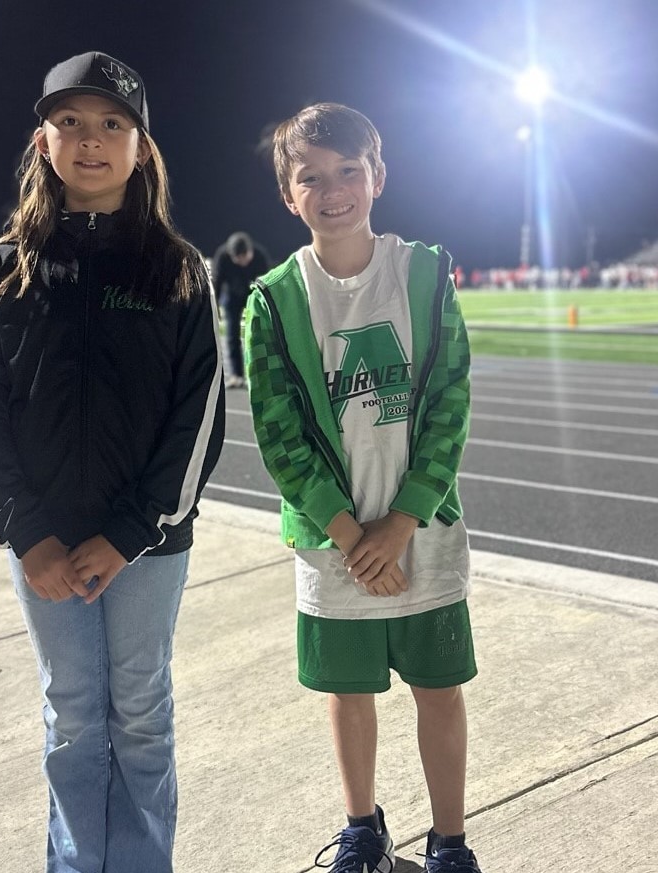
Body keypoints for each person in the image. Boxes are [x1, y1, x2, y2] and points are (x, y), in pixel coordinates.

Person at [0, 50, 225, 873]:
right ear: (43, 142)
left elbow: (200, 420)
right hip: (40, 546)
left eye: (113, 123)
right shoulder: (7, 267)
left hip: (143, 548)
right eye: (69, 121)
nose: (91, 140)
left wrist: (127, 533)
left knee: (139, 712)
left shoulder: (179, 268)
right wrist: (26, 532)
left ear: (141, 148)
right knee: (72, 714)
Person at [244, 103, 481, 873]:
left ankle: (448, 838)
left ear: (378, 175)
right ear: (289, 194)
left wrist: (401, 522)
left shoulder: (424, 271)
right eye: (310, 176)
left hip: (424, 534)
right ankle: (361, 826)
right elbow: (278, 435)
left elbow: (449, 401)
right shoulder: (273, 300)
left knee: (438, 688)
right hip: (331, 546)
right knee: (347, 694)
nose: (333, 188)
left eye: (349, 170)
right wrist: (352, 536)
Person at [211, 231, 270, 388]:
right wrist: (213, 307)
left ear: (250, 251)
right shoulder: (222, 256)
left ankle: (260, 373)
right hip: (231, 295)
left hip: (253, 294)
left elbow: (267, 285)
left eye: (246, 257)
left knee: (259, 333)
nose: (243, 262)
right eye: (239, 259)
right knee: (231, 335)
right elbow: (216, 283)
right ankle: (236, 375)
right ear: (231, 256)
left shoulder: (259, 256)